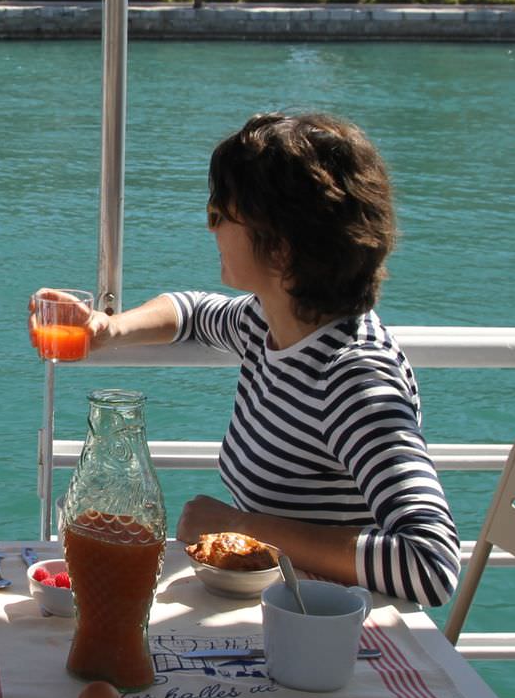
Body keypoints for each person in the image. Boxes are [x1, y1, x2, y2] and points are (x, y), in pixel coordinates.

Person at [29, 113, 459, 607]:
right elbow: (191, 311)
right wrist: (106, 330)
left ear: (279, 245)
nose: (209, 227)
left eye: (219, 213)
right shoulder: (269, 325)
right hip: (277, 611)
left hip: (333, 640)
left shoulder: (351, 379)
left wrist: (241, 526)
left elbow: (430, 564)